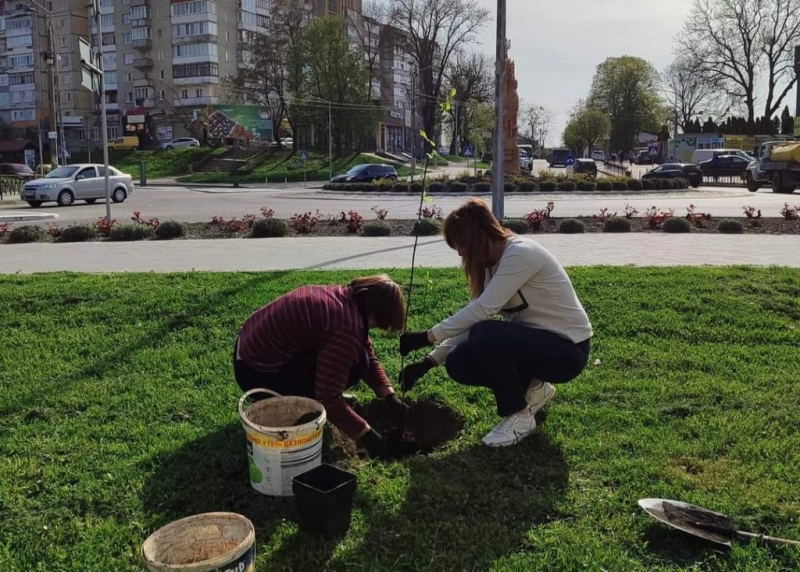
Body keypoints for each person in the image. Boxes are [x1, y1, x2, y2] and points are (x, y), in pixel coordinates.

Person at [399, 199, 592, 447]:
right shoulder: (490, 267)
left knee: (485, 334)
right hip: (539, 346)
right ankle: (536, 388)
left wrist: (426, 336)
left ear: (478, 236)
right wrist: (429, 361)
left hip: (568, 351)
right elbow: (475, 320)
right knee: (459, 362)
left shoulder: (521, 253)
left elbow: (482, 311)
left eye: (461, 244)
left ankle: (520, 416)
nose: (459, 253)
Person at [234, 275, 408, 458]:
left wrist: (390, 396)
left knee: (360, 356)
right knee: (357, 363)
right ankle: (306, 401)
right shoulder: (345, 325)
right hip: (257, 373)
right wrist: (370, 437)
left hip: (247, 352)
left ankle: (308, 393)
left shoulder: (344, 297)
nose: (376, 328)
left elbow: (365, 347)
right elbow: (328, 399)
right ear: (376, 313)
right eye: (379, 324)